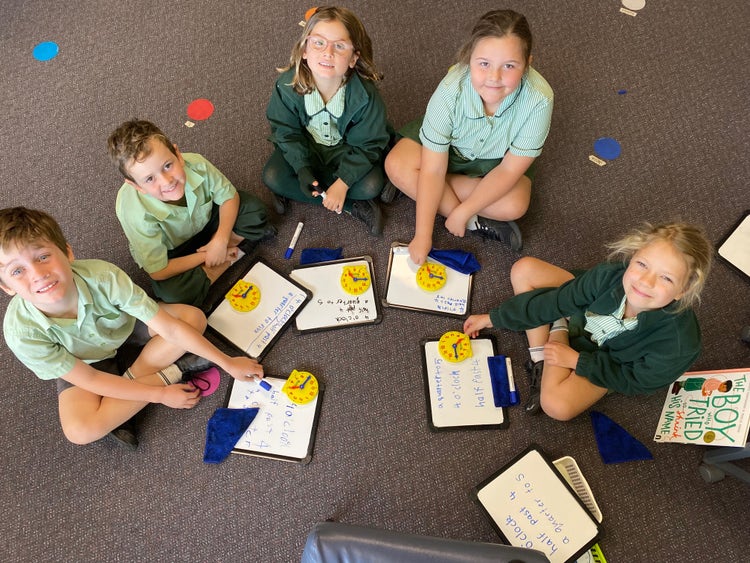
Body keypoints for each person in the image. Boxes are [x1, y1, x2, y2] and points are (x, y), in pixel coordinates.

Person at [0, 207, 265, 449]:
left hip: (127, 327)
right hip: (85, 363)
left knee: (193, 319)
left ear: (68, 253)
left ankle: (123, 403)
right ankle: (177, 369)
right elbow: (91, 379)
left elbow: (171, 328)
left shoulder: (104, 277)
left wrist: (227, 362)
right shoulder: (21, 334)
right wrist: (161, 393)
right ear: (7, 287)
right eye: (16, 271)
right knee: (80, 431)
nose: (37, 274)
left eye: (43, 256)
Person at [463, 221, 713, 421]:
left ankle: (555, 332)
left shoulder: (679, 343)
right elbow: (557, 301)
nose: (645, 282)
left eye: (666, 278)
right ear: (632, 256)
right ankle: (542, 357)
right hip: (580, 313)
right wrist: (494, 318)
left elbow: (637, 382)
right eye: (641, 264)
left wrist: (576, 360)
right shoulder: (607, 277)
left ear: (683, 290)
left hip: (607, 363)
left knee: (557, 406)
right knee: (524, 269)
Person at [384, 9, 553, 263]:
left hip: (496, 162)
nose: (494, 78)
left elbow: (508, 170)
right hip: (446, 150)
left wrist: (464, 211)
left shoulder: (540, 99)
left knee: (516, 204)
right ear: (469, 59)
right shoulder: (451, 89)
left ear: (527, 63)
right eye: (483, 64)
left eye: (509, 66)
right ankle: (476, 222)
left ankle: (414, 189)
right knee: (396, 164)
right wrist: (424, 234)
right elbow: (432, 170)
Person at [108, 119, 275, 308]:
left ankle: (219, 262)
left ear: (178, 155)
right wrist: (208, 255)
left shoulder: (197, 163)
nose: (166, 181)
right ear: (137, 186)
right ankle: (230, 254)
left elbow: (229, 198)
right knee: (172, 294)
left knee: (255, 211)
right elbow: (158, 271)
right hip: (173, 252)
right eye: (149, 179)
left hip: (208, 225)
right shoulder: (133, 212)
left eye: (167, 166)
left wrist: (220, 240)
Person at [262, 6, 392, 236]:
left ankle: (347, 202)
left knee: (372, 185)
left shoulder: (366, 97)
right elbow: (285, 132)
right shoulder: (286, 86)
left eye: (339, 46)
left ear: (353, 58)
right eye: (318, 43)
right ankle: (338, 198)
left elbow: (368, 145)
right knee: (272, 176)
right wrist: (301, 168)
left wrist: (343, 182)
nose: (327, 52)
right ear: (304, 50)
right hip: (308, 148)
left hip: (347, 151)